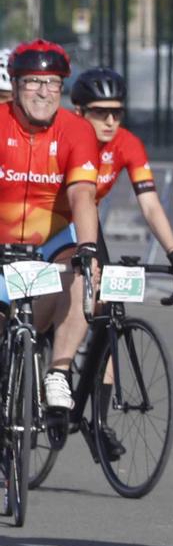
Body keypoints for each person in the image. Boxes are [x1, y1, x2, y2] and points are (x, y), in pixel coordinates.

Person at [44, 69, 173, 415]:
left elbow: (149, 203)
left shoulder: (127, 144)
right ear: (79, 111)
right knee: (74, 291)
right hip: (52, 222)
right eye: (101, 112)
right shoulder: (64, 134)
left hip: (86, 222)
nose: (111, 121)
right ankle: (54, 363)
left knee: (111, 309)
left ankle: (99, 421)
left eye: (118, 112)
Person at [0, 40, 103, 414]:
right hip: (2, 244)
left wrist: (88, 247)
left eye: (53, 83)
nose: (44, 92)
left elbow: (81, 196)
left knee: (82, 269)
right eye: (32, 82)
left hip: (50, 244)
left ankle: (58, 371)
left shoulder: (77, 132)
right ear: (14, 85)